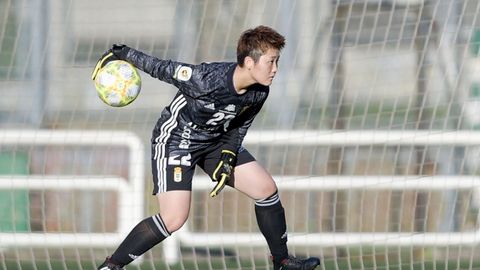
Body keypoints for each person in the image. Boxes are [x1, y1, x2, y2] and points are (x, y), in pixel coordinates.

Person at [92, 25, 320, 270]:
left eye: (277, 61)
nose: (275, 69)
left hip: (215, 142)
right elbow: (162, 68)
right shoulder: (206, 79)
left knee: (265, 188)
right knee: (174, 218)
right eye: (270, 61)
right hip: (176, 141)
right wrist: (124, 54)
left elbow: (240, 125)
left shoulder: (260, 91)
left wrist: (228, 154)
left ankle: (282, 262)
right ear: (249, 62)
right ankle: (112, 266)